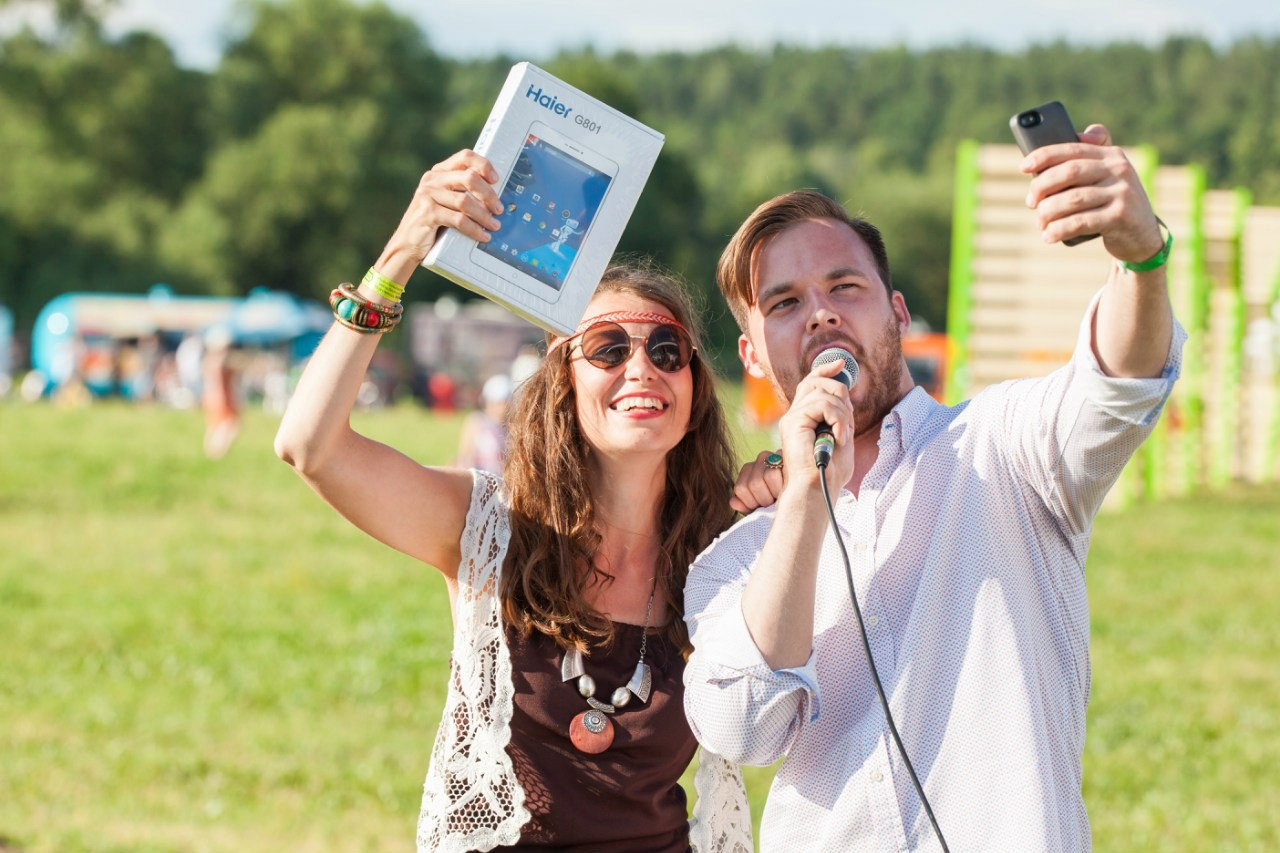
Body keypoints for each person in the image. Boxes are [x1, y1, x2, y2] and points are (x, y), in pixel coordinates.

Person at [682, 125, 1185, 850]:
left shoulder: (1002, 446)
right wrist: (803, 504)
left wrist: (1140, 259)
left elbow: (1118, 387)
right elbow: (743, 727)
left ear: (896, 313)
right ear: (752, 356)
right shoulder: (735, 560)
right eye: (785, 303)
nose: (821, 312)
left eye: (844, 286)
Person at [275, 149, 753, 853]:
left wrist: (796, 490)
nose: (641, 367)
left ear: (694, 389)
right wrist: (404, 249)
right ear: (563, 382)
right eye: (608, 348)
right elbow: (310, 445)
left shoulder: (728, 552)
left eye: (666, 350)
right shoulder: (489, 527)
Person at [454, 373, 513, 474]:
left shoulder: (513, 426)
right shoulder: (476, 421)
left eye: (506, 402)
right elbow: (465, 455)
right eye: (500, 402)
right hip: (480, 477)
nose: (504, 406)